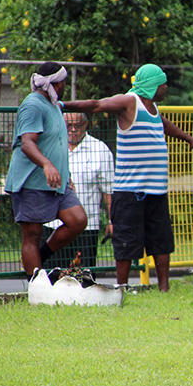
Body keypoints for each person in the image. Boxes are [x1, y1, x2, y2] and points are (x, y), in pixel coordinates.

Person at [62, 64, 193, 292]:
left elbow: (164, 124)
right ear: (152, 85)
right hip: (131, 190)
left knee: (161, 241)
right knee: (126, 241)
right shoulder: (130, 102)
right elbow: (98, 104)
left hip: (156, 190)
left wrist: (191, 140)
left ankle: (164, 288)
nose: (166, 87)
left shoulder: (153, 108)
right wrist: (60, 105)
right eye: (163, 83)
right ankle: (122, 287)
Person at [4, 61, 86, 276]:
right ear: (57, 84)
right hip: (32, 180)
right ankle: (36, 285)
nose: (65, 86)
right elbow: (27, 143)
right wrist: (47, 164)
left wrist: (64, 175)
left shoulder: (53, 105)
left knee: (77, 220)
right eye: (64, 82)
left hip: (57, 182)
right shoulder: (33, 105)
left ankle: (41, 258)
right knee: (32, 233)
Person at [41, 113, 114, 269]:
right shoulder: (50, 147)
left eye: (78, 126)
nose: (73, 130)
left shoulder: (100, 150)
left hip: (86, 227)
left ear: (86, 125)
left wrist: (111, 220)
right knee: (52, 276)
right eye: (68, 126)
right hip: (53, 225)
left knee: (83, 277)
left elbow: (108, 190)